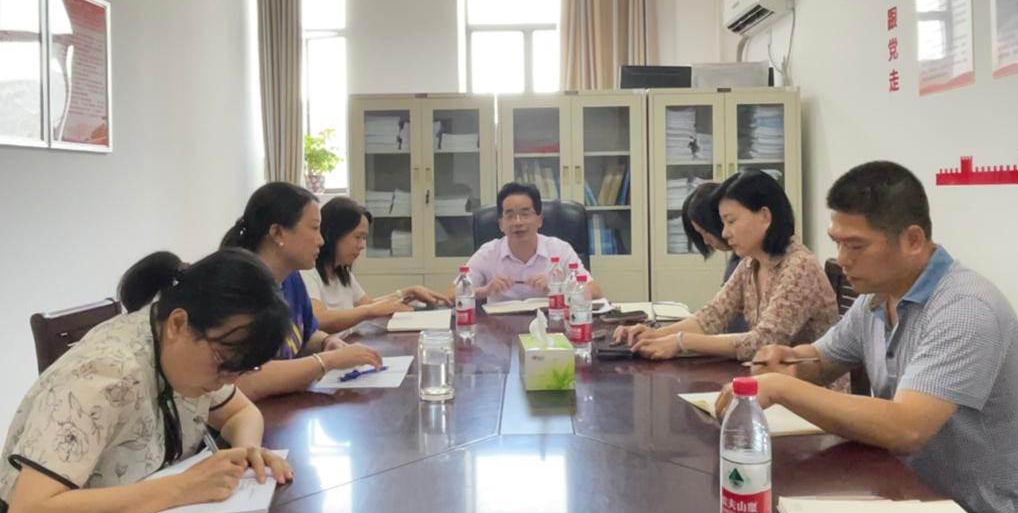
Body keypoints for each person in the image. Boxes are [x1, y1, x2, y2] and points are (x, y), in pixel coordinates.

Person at [715, 161, 1018, 513]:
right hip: (908, 496)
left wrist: (780, 386)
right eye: (837, 242)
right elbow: (823, 359)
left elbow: (906, 428)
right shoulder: (877, 297)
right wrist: (789, 359)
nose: (842, 258)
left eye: (856, 245)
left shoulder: (965, 309)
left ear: (912, 240)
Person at [0, 249, 294, 513]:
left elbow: (240, 412)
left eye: (241, 370)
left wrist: (247, 450)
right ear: (178, 324)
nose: (226, 381)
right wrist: (182, 487)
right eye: (223, 363)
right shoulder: (104, 373)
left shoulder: (181, 346)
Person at [615, 171, 838, 362]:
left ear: (765, 217)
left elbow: (764, 342)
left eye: (731, 221)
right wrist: (655, 335)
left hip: (810, 390)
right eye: (723, 223)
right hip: (772, 382)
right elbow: (713, 315)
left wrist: (682, 341)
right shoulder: (751, 263)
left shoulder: (799, 266)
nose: (724, 233)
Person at [221, 183, 382, 401]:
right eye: (314, 228)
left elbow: (307, 333)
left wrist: (327, 342)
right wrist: (328, 361)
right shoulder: (238, 288)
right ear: (278, 233)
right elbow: (246, 380)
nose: (321, 241)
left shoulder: (291, 278)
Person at [301, 196, 451, 335]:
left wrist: (408, 292)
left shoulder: (341, 271)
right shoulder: (307, 271)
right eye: (357, 237)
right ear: (332, 234)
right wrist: (370, 310)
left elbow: (369, 305)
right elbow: (319, 318)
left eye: (364, 238)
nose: (362, 245)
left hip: (346, 345)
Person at [455, 181, 602, 303]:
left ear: (539, 220)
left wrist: (558, 287)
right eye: (510, 216)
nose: (518, 222)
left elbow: (595, 291)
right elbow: (451, 293)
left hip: (550, 324)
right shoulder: (489, 253)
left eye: (525, 214)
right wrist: (484, 291)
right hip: (500, 326)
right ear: (501, 224)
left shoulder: (560, 249)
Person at [681, 181, 748, 333]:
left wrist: (682, 339)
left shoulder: (794, 264)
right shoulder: (739, 258)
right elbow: (716, 312)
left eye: (705, 232)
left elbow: (761, 337)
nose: (705, 241)